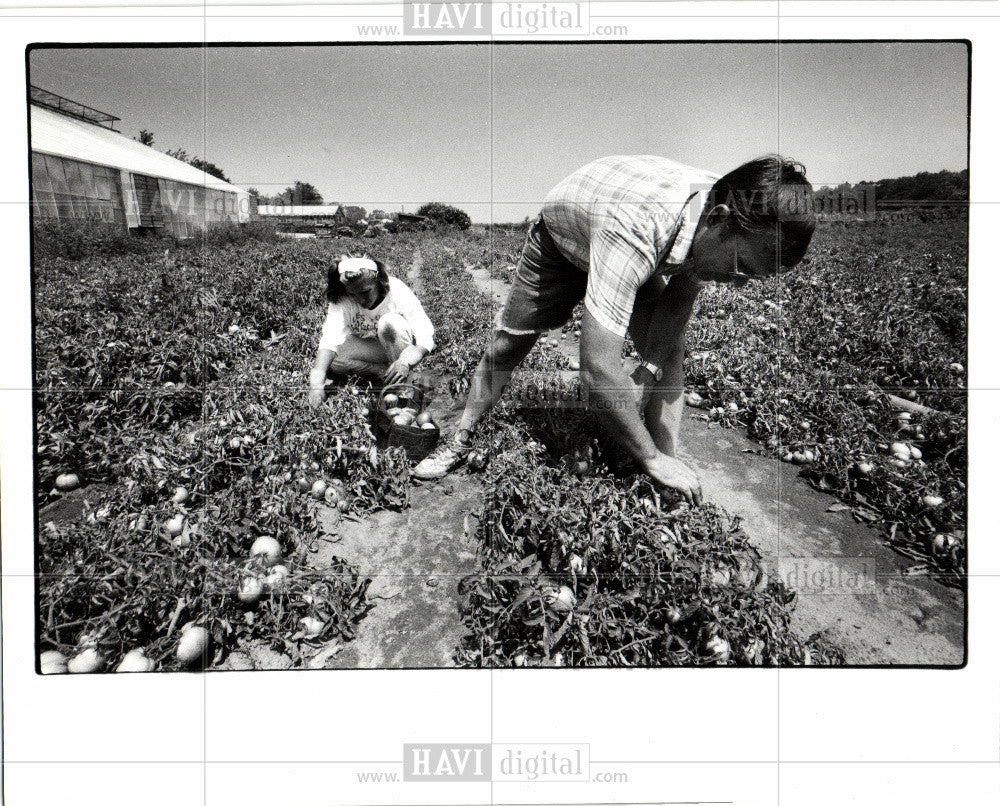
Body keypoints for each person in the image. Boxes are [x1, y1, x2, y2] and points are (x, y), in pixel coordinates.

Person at [413, 154, 816, 503]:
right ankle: (460, 437)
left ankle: (665, 468)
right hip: (563, 239)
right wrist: (648, 457)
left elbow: (679, 301)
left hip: (626, 232)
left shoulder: (722, 210)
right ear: (718, 221)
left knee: (671, 348)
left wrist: (651, 367)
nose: (740, 282)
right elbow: (597, 369)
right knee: (509, 346)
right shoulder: (638, 229)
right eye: (741, 267)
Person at [308, 255, 435, 407]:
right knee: (333, 359)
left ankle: (402, 385)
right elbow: (329, 339)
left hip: (401, 348)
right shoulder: (342, 298)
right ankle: (384, 372)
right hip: (373, 349)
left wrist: (404, 362)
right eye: (352, 294)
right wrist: (315, 387)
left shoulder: (396, 289)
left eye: (365, 292)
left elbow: (425, 336)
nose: (360, 301)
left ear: (379, 281)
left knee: (388, 324)